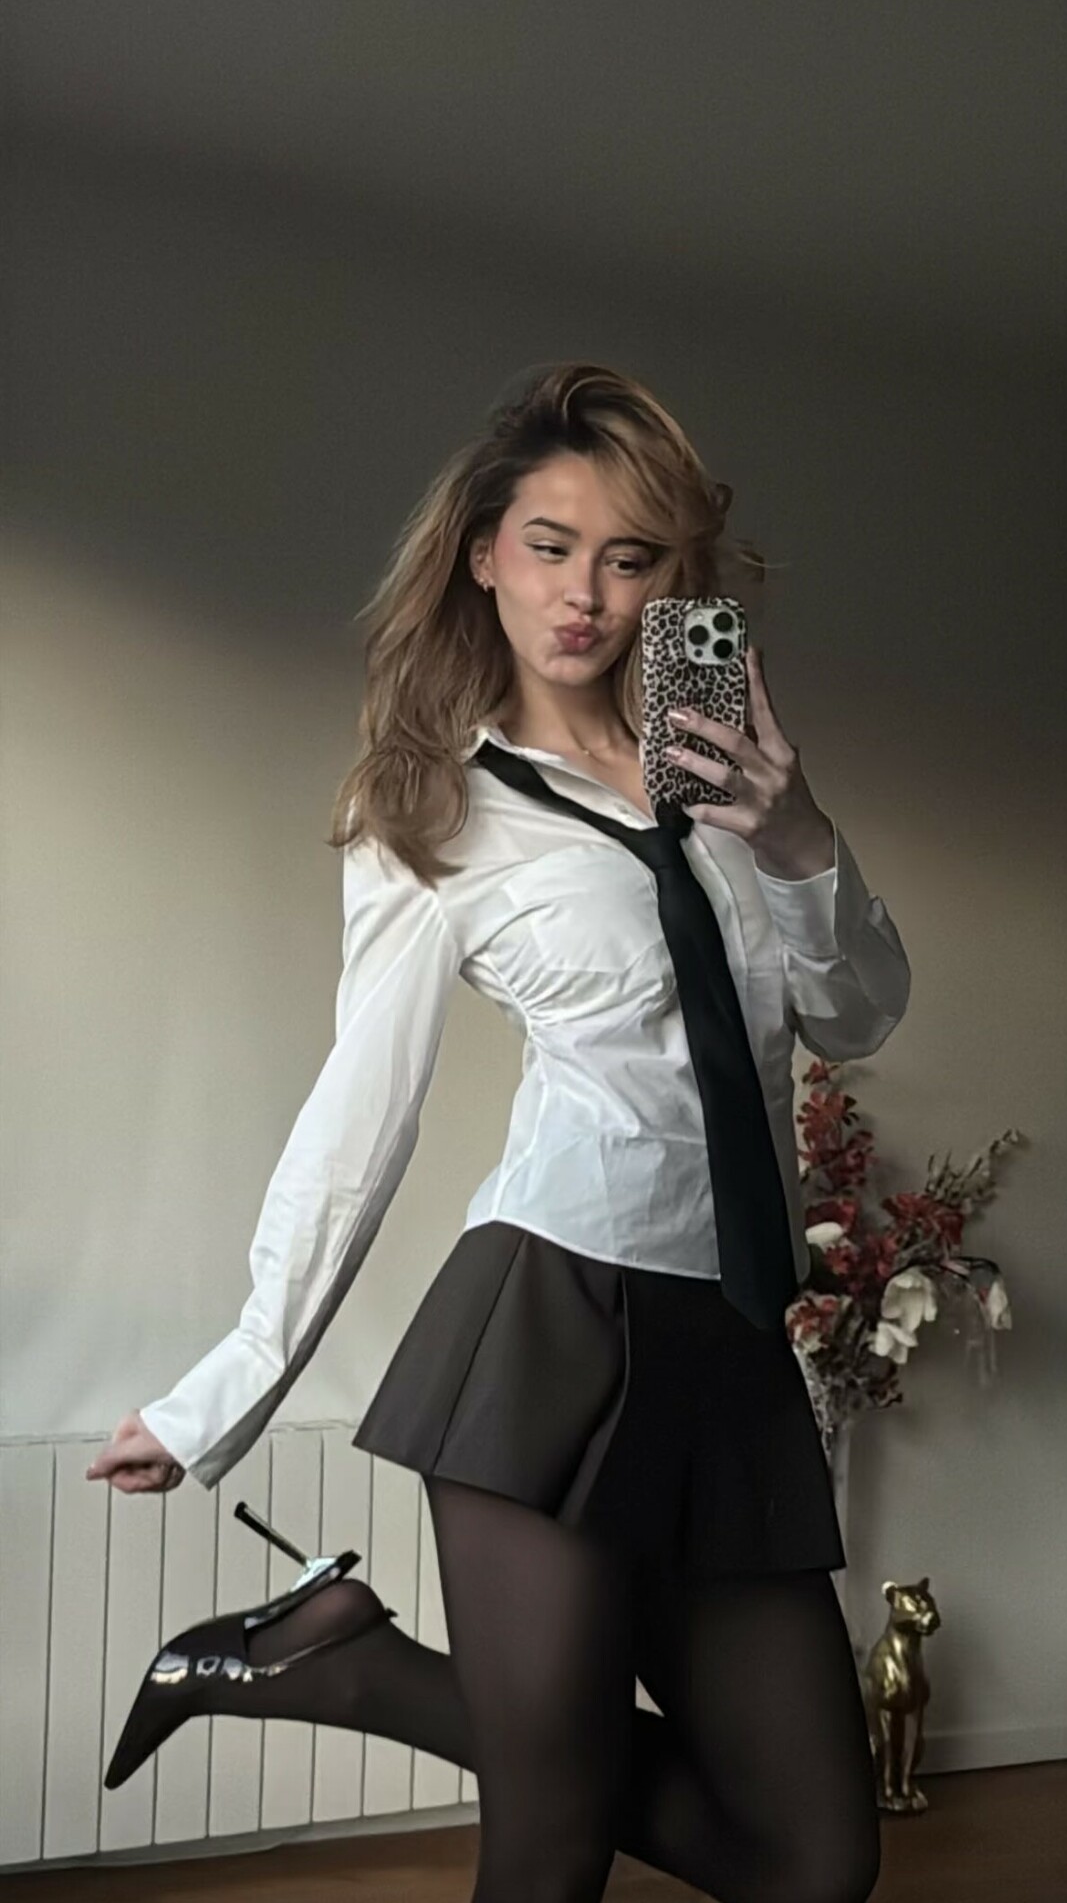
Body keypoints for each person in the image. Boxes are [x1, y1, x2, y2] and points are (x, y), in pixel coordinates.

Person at [88, 361, 910, 1903]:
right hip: (549, 1326)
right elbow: (361, 1113)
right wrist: (227, 1389)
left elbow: (858, 1016)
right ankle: (350, 1664)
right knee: (548, 1845)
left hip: (729, 1343)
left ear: (674, 581)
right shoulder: (435, 814)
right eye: (549, 545)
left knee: (815, 1862)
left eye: (627, 557)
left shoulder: (734, 790)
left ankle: (336, 1658)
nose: (583, 594)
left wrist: (798, 838)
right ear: (483, 555)